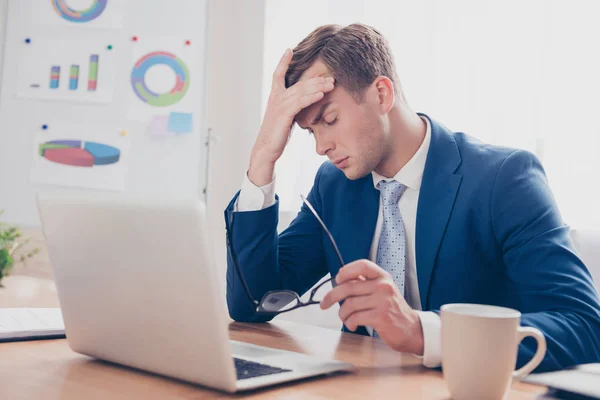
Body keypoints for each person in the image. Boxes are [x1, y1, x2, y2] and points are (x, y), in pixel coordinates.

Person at [223, 23, 600, 371]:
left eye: (330, 119)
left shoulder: (503, 179)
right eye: (309, 131)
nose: (321, 146)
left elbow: (584, 327)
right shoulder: (335, 185)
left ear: (381, 94)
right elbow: (253, 303)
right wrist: (262, 158)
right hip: (355, 388)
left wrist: (422, 331)